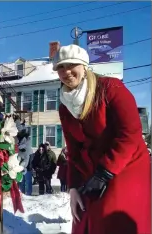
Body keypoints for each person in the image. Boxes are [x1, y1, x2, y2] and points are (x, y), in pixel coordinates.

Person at [54, 44, 151, 234]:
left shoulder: (111, 88)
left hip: (126, 164)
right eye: (60, 67)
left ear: (84, 66)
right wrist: (73, 187)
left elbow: (130, 133)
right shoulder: (65, 106)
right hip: (91, 170)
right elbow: (73, 150)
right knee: (82, 218)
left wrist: (104, 173)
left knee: (110, 218)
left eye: (71, 64)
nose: (66, 72)